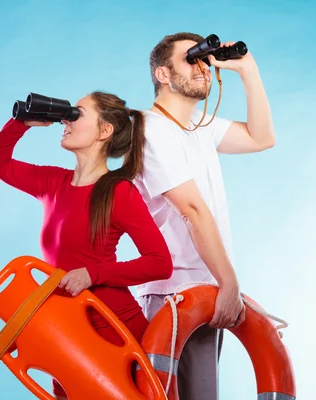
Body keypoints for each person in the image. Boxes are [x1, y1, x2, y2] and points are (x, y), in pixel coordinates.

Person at [0, 91, 173, 400]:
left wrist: (93, 274)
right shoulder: (52, 183)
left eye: (77, 114)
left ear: (104, 131)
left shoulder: (119, 192)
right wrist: (21, 122)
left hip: (114, 329)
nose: (66, 121)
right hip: (67, 332)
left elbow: (160, 262)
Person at [132, 32, 276, 399]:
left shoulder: (201, 126)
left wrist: (248, 70)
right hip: (175, 293)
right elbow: (192, 210)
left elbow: (262, 138)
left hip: (205, 289)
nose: (202, 68)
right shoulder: (148, 128)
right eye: (190, 59)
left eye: (203, 60)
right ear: (163, 75)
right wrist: (230, 284)